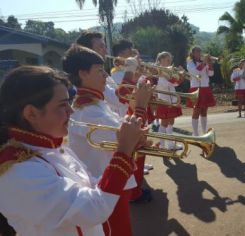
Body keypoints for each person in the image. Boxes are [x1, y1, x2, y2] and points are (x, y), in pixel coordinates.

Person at [0, 65, 148, 235]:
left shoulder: (52, 147)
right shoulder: (18, 170)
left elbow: (90, 187)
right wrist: (123, 152)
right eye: (62, 105)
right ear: (31, 113)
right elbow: (92, 209)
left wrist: (127, 152)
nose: (71, 110)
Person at [63, 45, 152, 235]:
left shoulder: (96, 103)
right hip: (107, 185)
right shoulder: (88, 111)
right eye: (99, 71)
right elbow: (129, 138)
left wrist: (134, 111)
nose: (105, 75)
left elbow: (124, 131)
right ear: (83, 74)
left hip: (114, 181)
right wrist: (142, 107)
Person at [155, 51, 184, 149]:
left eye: (170, 60)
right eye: (167, 60)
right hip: (164, 100)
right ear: (161, 60)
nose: (170, 62)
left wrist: (181, 75)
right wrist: (169, 76)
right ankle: (162, 145)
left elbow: (176, 84)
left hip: (172, 100)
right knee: (164, 123)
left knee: (171, 122)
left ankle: (171, 144)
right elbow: (165, 84)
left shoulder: (168, 72)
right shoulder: (157, 71)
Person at [186, 46, 216, 136]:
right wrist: (204, 62)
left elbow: (211, 74)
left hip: (205, 87)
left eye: (200, 51)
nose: (199, 53)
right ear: (192, 53)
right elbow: (196, 72)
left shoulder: (204, 62)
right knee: (196, 111)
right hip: (196, 88)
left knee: (204, 111)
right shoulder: (190, 63)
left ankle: (204, 132)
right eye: (197, 52)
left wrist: (210, 64)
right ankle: (195, 133)